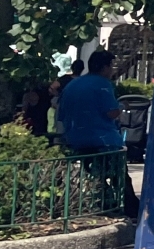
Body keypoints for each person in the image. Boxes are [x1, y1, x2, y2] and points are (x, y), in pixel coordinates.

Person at [57, 50, 137, 221]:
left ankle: (101, 203)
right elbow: (111, 112)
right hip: (103, 139)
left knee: (92, 175)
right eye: (111, 66)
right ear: (105, 67)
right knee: (119, 177)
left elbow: (61, 114)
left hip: (75, 138)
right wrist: (122, 107)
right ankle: (130, 209)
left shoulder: (72, 85)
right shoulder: (103, 84)